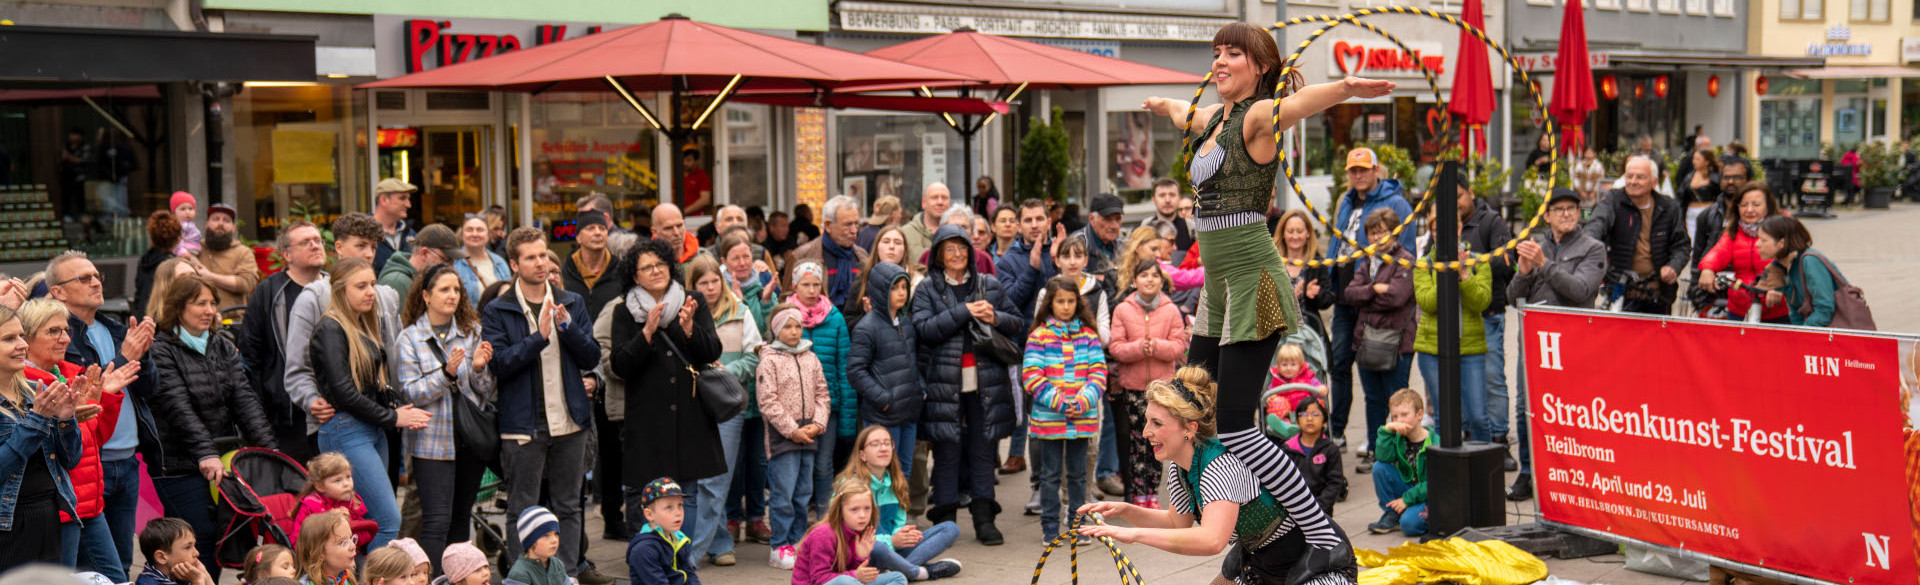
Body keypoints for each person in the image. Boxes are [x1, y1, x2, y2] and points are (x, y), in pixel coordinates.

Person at [1075, 367, 1356, 585]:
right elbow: (1177, 522)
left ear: (1189, 428)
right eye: (1147, 421)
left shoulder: (1219, 465)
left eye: (1156, 423)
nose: (1146, 432)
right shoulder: (1181, 464)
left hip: (1315, 561)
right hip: (1261, 562)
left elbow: (1212, 540)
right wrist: (1125, 511)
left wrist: (1133, 534)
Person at [481, 227, 600, 579]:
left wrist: (567, 329)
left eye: (544, 255)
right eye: (531, 257)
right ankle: (524, 578)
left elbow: (591, 355)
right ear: (514, 264)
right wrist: (539, 338)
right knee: (522, 508)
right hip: (522, 424)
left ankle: (567, 575)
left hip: (570, 421)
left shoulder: (571, 302)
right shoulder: (498, 309)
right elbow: (499, 364)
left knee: (569, 506)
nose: (541, 263)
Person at [148, 274, 279, 579]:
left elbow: (245, 401)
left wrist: (270, 452)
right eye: (200, 303)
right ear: (179, 307)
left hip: (220, 459)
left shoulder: (220, 343)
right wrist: (205, 453)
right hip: (179, 463)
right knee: (197, 540)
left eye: (212, 303)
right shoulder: (161, 348)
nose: (209, 310)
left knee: (222, 537)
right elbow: (178, 408)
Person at [607, 238, 722, 553]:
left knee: (686, 493)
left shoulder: (691, 301)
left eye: (660, 264)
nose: (655, 271)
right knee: (648, 495)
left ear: (671, 266)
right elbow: (619, 365)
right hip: (647, 420)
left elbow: (712, 351)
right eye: (646, 267)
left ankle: (684, 561)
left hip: (690, 415)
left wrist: (689, 329)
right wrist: (646, 334)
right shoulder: (624, 312)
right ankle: (648, 560)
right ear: (635, 275)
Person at [913, 224, 1023, 546]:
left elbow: (1017, 322)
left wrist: (995, 318)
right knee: (947, 451)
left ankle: (984, 518)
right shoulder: (927, 289)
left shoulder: (988, 284)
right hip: (944, 383)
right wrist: (964, 311)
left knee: (983, 449)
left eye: (962, 248)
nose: (958, 254)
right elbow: (924, 330)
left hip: (984, 381)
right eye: (950, 249)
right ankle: (945, 520)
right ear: (938, 256)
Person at [49, 250, 156, 578]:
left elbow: (149, 389)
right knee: (95, 572)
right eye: (84, 278)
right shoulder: (60, 337)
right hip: (87, 465)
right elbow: (88, 393)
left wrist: (144, 356)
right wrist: (126, 357)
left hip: (127, 460)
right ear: (58, 292)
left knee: (123, 561)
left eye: (97, 276)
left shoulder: (114, 327)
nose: (96, 282)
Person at [312, 257, 428, 549]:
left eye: (373, 284)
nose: (370, 292)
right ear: (340, 290)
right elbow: (344, 393)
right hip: (347, 429)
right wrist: (393, 418)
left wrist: (396, 411)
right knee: (388, 522)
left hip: (369, 429)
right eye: (361, 286)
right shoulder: (331, 328)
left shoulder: (362, 324)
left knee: (370, 524)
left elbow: (370, 387)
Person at [18, 298, 134, 581]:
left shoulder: (72, 376)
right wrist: (70, 419)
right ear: (27, 338)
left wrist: (103, 398)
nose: (65, 338)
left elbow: (95, 442)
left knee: (115, 578)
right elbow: (57, 454)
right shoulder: (25, 384)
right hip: (60, 511)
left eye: (66, 330)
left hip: (90, 507)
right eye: (53, 331)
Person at [392, 262, 494, 572]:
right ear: (425, 295)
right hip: (431, 443)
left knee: (462, 517)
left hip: (470, 440)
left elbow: (487, 391)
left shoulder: (471, 332)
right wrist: (447, 373)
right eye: (444, 290)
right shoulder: (409, 338)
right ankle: (435, 579)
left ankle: (460, 578)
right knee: (437, 520)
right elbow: (410, 393)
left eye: (456, 290)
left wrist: (477, 369)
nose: (452, 296)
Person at [285, 214, 405, 468]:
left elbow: (394, 357)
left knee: (384, 499)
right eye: (361, 245)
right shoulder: (314, 298)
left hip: (384, 418)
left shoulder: (386, 297)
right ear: (339, 247)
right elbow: (297, 366)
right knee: (346, 501)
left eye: (374, 246)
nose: (370, 253)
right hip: (337, 419)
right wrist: (311, 399)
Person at [1322, 146, 1414, 447]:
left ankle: (1387, 438)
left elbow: (1405, 253)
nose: (1358, 175)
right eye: (1353, 170)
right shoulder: (1345, 202)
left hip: (1378, 305)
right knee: (1339, 364)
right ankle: (1337, 431)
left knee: (1384, 370)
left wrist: (1378, 290)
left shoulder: (1396, 204)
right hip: (1346, 295)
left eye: (1364, 169)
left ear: (1376, 170)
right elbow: (1338, 243)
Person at [682, 255, 762, 568]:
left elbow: (755, 358)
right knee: (699, 479)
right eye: (704, 283)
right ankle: (719, 543)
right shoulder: (685, 315)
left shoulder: (741, 313)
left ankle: (692, 554)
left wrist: (724, 370)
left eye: (715, 280)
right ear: (693, 286)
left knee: (716, 481)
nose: (711, 287)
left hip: (727, 406)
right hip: (693, 406)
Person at [1022, 276, 1107, 541]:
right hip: (1050, 421)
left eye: (1071, 301)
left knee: (1079, 475)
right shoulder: (1039, 336)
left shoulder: (1089, 336)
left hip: (1081, 420)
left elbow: (1098, 373)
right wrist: (1061, 402)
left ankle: (1077, 525)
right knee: (1049, 476)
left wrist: (1082, 402)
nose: (1066, 306)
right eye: (1060, 301)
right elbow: (1032, 375)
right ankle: (1049, 528)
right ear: (1050, 303)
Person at [0, 302, 82, 569]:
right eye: (9, 338)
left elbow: (70, 461)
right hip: (8, 522)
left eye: (22, 336)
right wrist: (37, 420)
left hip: (47, 515)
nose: (22, 345)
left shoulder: (36, 390)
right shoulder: (37, 401)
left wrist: (66, 419)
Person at [239, 221, 329, 461]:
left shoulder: (336, 288)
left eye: (318, 240)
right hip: (287, 415)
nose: (314, 246)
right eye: (305, 242)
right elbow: (250, 356)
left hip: (333, 411)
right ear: (286, 254)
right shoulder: (269, 292)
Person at [833, 426, 961, 581]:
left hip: (893, 549)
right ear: (862, 455)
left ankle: (898, 570)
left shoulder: (896, 482)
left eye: (887, 443)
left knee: (950, 528)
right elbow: (845, 535)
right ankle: (921, 572)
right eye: (875, 444)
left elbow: (898, 525)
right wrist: (891, 541)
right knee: (878, 547)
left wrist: (904, 535)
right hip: (862, 553)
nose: (883, 448)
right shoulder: (849, 484)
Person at [1107, 258, 1186, 509]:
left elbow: (1178, 346)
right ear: (1134, 281)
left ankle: (1152, 492)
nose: (1150, 279)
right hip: (1133, 388)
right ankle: (1137, 493)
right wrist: (1139, 348)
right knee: (1137, 442)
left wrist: (1158, 347)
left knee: (1160, 441)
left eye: (1154, 275)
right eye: (1144, 275)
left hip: (1162, 392)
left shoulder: (1171, 310)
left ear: (1161, 280)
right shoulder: (1123, 309)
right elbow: (1116, 348)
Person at [757, 305, 830, 570]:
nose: (794, 331)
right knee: (783, 493)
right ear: (776, 329)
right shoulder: (770, 359)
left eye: (797, 326)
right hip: (783, 436)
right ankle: (780, 545)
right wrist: (792, 430)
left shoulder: (810, 357)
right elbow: (768, 401)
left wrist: (818, 423)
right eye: (787, 326)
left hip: (809, 433)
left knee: (803, 492)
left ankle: (799, 541)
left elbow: (822, 392)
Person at [1414, 210, 1493, 442]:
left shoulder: (1479, 261)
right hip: (1432, 349)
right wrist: (1446, 273)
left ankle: (1482, 469)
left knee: (1478, 415)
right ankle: (1446, 472)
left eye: (1450, 227)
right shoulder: (1424, 264)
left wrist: (1464, 274)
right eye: (1437, 229)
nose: (1443, 233)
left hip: (1469, 347)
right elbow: (1428, 302)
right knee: (1444, 415)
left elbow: (1481, 302)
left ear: (1460, 228)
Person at [1342, 209, 1416, 456]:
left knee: (1397, 400)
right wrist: (1375, 289)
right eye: (1372, 233)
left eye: (1382, 232)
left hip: (1396, 344)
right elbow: (1350, 294)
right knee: (1372, 400)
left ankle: (1399, 450)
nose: (1377, 238)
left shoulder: (1405, 260)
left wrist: (1367, 295)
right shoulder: (1367, 262)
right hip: (1366, 343)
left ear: (1395, 232)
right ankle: (1376, 448)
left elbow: (1396, 297)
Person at [788, 262, 856, 517]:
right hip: (795, 405)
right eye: (805, 284)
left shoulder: (834, 317)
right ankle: (799, 514)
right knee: (799, 463)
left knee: (823, 463)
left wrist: (847, 417)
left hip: (830, 405)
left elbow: (844, 364)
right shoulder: (787, 315)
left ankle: (825, 512)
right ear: (795, 285)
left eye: (816, 284)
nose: (811, 289)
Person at [1584, 155, 1690, 315]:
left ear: (1654, 182)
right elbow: (1595, 226)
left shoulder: (1669, 207)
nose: (1633, 181)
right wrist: (1594, 255)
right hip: (1620, 290)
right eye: (1629, 176)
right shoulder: (1613, 200)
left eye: (1640, 177)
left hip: (1658, 293)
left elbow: (1682, 246)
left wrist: (1673, 267)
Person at [1454, 181, 1513, 462]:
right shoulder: (1440, 225)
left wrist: (1470, 262)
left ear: (1471, 193)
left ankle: (1500, 440)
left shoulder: (1492, 222)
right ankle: (1470, 436)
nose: (1454, 203)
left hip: (1488, 314)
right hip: (1455, 317)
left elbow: (1506, 263)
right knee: (1462, 380)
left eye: (1459, 196)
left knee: (1491, 379)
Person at [848, 262, 920, 474]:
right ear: (881, 291)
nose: (901, 293)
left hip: (909, 410)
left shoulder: (907, 323)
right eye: (894, 288)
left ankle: (900, 509)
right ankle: (884, 510)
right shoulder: (867, 327)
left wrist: (920, 389)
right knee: (884, 472)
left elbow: (912, 361)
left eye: (904, 287)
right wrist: (884, 399)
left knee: (904, 471)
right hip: (884, 415)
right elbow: (855, 371)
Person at [1697, 184, 1790, 324]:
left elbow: (1794, 262)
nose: (1749, 210)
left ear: (1769, 206)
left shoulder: (1784, 228)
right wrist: (1707, 269)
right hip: (1740, 307)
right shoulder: (1733, 232)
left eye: (1756, 204)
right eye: (1744, 205)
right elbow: (1719, 251)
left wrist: (1780, 286)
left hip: (1777, 308)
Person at [791, 482, 910, 585]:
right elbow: (819, 579)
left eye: (867, 508)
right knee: (845, 581)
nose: (862, 515)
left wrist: (860, 557)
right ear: (841, 511)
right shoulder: (823, 534)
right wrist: (855, 575)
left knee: (898, 577)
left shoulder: (858, 529)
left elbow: (850, 573)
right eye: (854, 509)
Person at [1365, 389, 1435, 536]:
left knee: (1409, 525)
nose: (1399, 420)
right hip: (1408, 488)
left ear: (1419, 415)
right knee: (1379, 467)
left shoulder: (1434, 442)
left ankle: (1420, 514)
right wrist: (1386, 432)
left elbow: (1434, 482)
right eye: (1394, 416)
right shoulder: (1398, 438)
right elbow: (1383, 457)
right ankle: (1393, 514)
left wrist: (1406, 500)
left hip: (1429, 496)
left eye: (1404, 415)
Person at [788, 196, 871, 317]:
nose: (854, 231)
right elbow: (787, 300)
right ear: (828, 225)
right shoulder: (802, 256)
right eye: (847, 225)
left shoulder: (862, 257)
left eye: (856, 224)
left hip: (854, 330)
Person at [1756, 215, 1842, 328]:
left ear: (1781, 243)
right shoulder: (1783, 266)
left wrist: (1802, 335)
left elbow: (1824, 308)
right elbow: (1796, 312)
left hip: (1840, 334)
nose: (1757, 244)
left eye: (1763, 240)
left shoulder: (1810, 261)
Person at [1273, 209, 1333, 369]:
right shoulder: (1273, 262)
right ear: (1283, 233)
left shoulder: (1316, 262)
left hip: (1309, 334)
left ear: (1307, 233)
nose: (1295, 236)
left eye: (1299, 231)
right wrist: (1288, 297)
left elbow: (1328, 298)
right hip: (1279, 336)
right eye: (1290, 231)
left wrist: (1314, 294)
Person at [995, 199, 1061, 324]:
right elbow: (1008, 303)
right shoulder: (1007, 261)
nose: (1034, 225)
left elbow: (1079, 291)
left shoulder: (1062, 251)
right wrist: (1032, 269)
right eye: (1028, 220)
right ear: (1018, 227)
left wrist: (1060, 263)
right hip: (1024, 338)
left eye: (1039, 219)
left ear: (1049, 223)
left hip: (1062, 336)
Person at [293, 453, 375, 548]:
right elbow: (299, 541)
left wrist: (348, 525)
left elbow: (364, 535)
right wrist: (328, 521)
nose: (346, 484)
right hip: (319, 557)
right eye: (337, 480)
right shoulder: (311, 505)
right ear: (320, 486)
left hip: (348, 552)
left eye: (348, 477)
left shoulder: (352, 502)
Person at [627, 477, 699, 585]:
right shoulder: (643, 549)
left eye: (680, 505)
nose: (678, 512)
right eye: (669, 507)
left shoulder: (677, 538)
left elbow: (689, 574)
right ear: (649, 515)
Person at [1282, 397, 1345, 516]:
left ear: (1325, 422)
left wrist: (1319, 507)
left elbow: (1335, 482)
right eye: (1304, 414)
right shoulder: (1288, 449)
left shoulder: (1330, 450)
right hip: (1293, 510)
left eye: (1315, 414)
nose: (1309, 418)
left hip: (1322, 510)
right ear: (1297, 421)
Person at [191, 204, 260, 309]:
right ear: (206, 224)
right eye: (216, 219)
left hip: (232, 319)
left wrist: (209, 276)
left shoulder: (243, 252)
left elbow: (246, 284)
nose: (220, 223)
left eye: (226, 220)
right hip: (196, 320)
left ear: (234, 228)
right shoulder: (195, 250)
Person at [1692, 159, 1750, 268]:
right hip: (1712, 277)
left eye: (1737, 177)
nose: (1731, 181)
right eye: (1726, 177)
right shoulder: (1706, 216)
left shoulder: (1757, 216)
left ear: (1747, 180)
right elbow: (1697, 258)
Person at [380, 224, 464, 296]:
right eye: (446, 260)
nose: (451, 268)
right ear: (424, 254)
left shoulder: (422, 279)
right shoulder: (397, 283)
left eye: (453, 262)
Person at [455, 216, 513, 309]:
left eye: (480, 230)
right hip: (466, 322)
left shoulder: (500, 263)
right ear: (462, 235)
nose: (475, 234)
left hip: (496, 321)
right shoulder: (453, 264)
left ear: (488, 235)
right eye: (469, 230)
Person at [135, 519, 215, 585]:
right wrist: (198, 581)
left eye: (194, 545)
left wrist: (205, 574)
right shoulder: (148, 583)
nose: (197, 553)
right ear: (161, 557)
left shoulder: (181, 577)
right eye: (187, 547)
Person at [133, 210, 182, 315]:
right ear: (178, 239)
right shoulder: (175, 266)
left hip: (143, 319)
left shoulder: (144, 261)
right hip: (162, 322)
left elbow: (138, 296)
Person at [1140, 178, 1196, 265]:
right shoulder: (1144, 227)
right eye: (1162, 195)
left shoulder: (1191, 227)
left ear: (1179, 198)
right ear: (1153, 200)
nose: (1167, 200)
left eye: (1172, 195)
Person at [509, 506, 568, 585]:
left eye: (556, 534)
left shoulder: (557, 564)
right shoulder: (519, 573)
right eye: (546, 535)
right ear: (530, 540)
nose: (554, 540)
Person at [294, 513, 357, 585]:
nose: (353, 546)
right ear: (319, 552)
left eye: (350, 538)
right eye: (342, 542)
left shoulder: (346, 579)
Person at [373, 178, 418, 272]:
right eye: (402, 198)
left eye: (408, 199)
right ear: (384, 199)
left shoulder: (411, 234)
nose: (408, 205)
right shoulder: (364, 235)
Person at [901, 184, 950, 265]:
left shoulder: (958, 232)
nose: (940, 202)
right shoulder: (905, 233)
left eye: (944, 198)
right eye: (934, 198)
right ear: (924, 203)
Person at [1680, 148, 1723, 232]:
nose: (1694, 162)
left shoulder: (1715, 177)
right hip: (1691, 213)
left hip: (1708, 211)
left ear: (1706, 161)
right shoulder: (1689, 177)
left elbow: (1721, 195)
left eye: (1697, 159)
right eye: (1694, 159)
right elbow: (1681, 197)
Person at [169, 192, 203, 257]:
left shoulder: (190, 224)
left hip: (195, 252)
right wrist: (182, 252)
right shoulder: (178, 226)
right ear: (174, 213)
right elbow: (177, 241)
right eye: (183, 209)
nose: (187, 212)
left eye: (190, 209)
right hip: (186, 253)